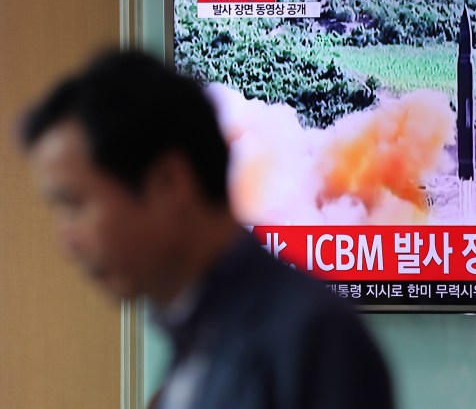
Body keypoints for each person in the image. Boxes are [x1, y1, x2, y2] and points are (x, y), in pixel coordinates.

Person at [20, 50, 394, 409]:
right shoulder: (198, 343)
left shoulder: (312, 340)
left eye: (74, 205)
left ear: (169, 183)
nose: (66, 242)